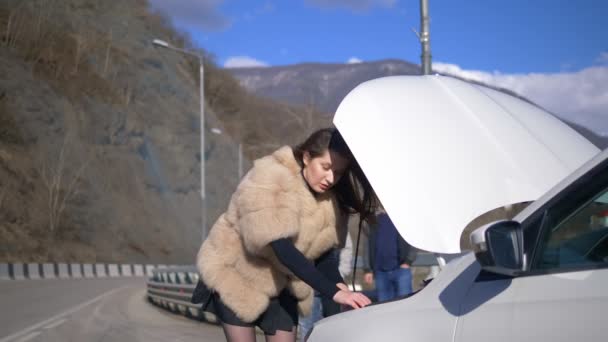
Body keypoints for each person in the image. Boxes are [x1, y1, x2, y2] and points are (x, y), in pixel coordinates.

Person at [196, 128, 378, 342]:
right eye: (326, 167)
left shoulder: (329, 201)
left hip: (281, 283)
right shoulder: (270, 176)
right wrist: (333, 292)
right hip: (237, 274)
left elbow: (323, 256)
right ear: (307, 157)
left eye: (338, 173)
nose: (331, 178)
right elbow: (281, 247)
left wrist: (341, 288)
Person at [297, 232, 353, 341]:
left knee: (333, 322)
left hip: (333, 284)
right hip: (308, 286)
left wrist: (341, 274)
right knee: (308, 327)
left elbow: (346, 248)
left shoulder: (336, 227)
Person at [363, 210, 416, 302]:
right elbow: (367, 245)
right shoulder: (373, 220)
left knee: (405, 304)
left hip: (401, 270)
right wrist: (368, 269)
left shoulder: (403, 217)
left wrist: (408, 261)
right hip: (380, 272)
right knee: (384, 307)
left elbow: (413, 239)